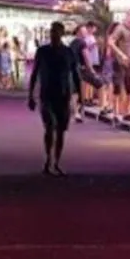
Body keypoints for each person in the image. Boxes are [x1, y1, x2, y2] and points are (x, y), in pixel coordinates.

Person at [27, 20, 83, 175]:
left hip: (64, 94)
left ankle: (56, 161)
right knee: (50, 126)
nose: (53, 35)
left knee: (61, 130)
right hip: (46, 94)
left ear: (61, 34)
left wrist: (81, 96)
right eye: (52, 32)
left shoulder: (68, 52)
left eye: (56, 32)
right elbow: (35, 73)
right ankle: (48, 160)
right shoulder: (42, 51)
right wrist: (30, 95)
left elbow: (76, 74)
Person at [106, 21, 130, 122]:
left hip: (128, 63)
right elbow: (110, 42)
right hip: (119, 63)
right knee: (117, 87)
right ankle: (115, 113)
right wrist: (121, 54)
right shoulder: (120, 29)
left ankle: (126, 112)